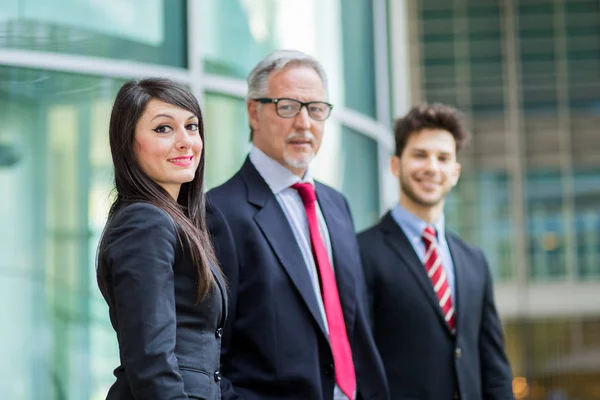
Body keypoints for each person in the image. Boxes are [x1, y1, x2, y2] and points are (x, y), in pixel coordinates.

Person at [206, 50, 389, 400]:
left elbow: (354, 326)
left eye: (316, 109)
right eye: (287, 106)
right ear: (253, 112)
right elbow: (210, 354)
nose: (304, 123)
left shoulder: (337, 206)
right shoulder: (220, 212)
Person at [358, 103, 514, 399]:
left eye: (443, 158)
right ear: (395, 165)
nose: (432, 167)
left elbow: (494, 365)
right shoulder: (361, 252)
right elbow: (357, 361)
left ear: (455, 172)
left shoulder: (474, 261)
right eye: (419, 155)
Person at [96, 78, 227, 399]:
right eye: (163, 129)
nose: (185, 142)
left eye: (192, 127)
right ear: (128, 142)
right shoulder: (145, 222)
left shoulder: (174, 221)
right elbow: (150, 359)